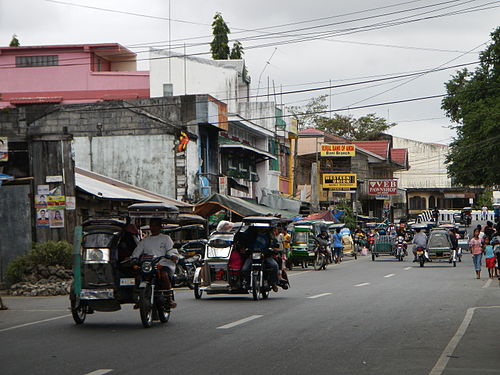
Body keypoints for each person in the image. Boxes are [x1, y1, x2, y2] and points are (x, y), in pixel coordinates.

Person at [131, 218, 179, 308]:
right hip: (148, 264)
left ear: (160, 227)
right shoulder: (145, 240)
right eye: (152, 225)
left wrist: (172, 255)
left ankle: (169, 299)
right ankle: (139, 298)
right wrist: (133, 258)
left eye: (155, 225)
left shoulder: (166, 238)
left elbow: (171, 250)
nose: (153, 227)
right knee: (137, 276)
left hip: (162, 263)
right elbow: (137, 252)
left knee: (164, 275)